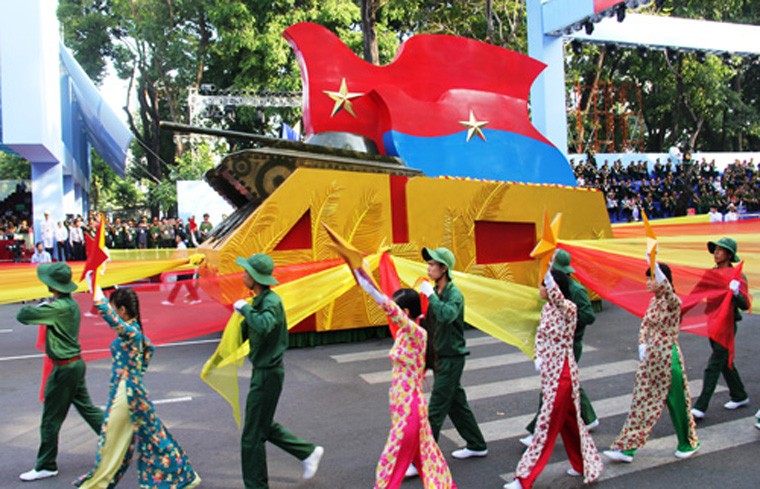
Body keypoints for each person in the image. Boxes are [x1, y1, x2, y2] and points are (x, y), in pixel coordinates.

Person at [76, 282, 200, 488]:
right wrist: (137, 374)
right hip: (132, 390)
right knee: (154, 437)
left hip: (127, 394)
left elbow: (112, 320)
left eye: (116, 308)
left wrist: (96, 294)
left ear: (122, 311)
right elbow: (149, 349)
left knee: (111, 441)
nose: (115, 312)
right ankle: (185, 476)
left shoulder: (131, 332)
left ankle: (96, 484)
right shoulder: (136, 332)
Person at [503, 268, 602, 489]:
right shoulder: (547, 309)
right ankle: (584, 465)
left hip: (562, 375)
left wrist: (549, 274)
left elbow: (559, 299)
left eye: (543, 284)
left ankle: (523, 478)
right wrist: (538, 356)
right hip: (549, 374)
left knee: (545, 428)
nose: (540, 288)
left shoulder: (569, 308)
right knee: (570, 424)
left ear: (553, 288)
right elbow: (539, 335)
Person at [354, 275, 456, 489]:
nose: (392, 316)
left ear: (405, 313)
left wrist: (372, 291)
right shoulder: (404, 333)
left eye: (398, 312)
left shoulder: (416, 333)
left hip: (409, 409)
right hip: (402, 406)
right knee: (430, 460)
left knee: (388, 463)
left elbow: (392, 311)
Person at [233, 253, 323, 489]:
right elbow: (246, 333)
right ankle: (308, 452)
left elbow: (263, 325)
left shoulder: (270, 303)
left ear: (254, 277)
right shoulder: (259, 301)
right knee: (262, 426)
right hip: (264, 372)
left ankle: (256, 486)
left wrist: (245, 311)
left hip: (267, 373)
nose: (242, 275)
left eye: (246, 272)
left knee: (251, 437)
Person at [604, 262, 701, 464]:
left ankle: (688, 443)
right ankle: (627, 448)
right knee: (641, 400)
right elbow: (645, 324)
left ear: (663, 281)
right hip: (651, 359)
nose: (648, 282)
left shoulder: (673, 302)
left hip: (668, 357)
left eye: (652, 278)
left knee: (677, 403)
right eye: (648, 278)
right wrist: (641, 343)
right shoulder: (654, 302)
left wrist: (655, 264)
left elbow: (667, 291)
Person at [15, 263, 105, 481]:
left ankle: (46, 464)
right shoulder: (69, 304)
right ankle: (120, 436)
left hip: (64, 368)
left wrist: (43, 305)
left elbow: (23, 315)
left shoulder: (58, 307)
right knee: (88, 409)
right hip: (73, 365)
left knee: (50, 419)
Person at [522, 250, 598, 447]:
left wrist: (569, 322)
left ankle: (538, 430)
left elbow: (589, 315)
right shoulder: (552, 294)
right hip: (554, 346)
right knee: (568, 385)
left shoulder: (576, 290)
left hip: (570, 343)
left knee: (553, 389)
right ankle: (588, 418)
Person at [418, 247, 487, 460]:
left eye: (432, 265)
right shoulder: (437, 292)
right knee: (456, 404)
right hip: (440, 356)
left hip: (451, 358)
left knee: (436, 408)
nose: (429, 268)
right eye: (428, 264)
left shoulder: (453, 293)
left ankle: (422, 458)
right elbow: (434, 322)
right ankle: (476, 444)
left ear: (444, 268)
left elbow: (447, 315)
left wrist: (431, 297)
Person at [691, 237, 750, 419]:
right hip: (712, 322)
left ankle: (700, 406)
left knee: (715, 363)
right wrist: (678, 311)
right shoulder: (711, 274)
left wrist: (736, 292)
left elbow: (745, 304)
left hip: (727, 324)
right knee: (723, 361)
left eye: (720, 250)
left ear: (729, 255)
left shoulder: (738, 276)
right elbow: (695, 295)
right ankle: (739, 394)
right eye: (715, 249)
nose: (716, 253)